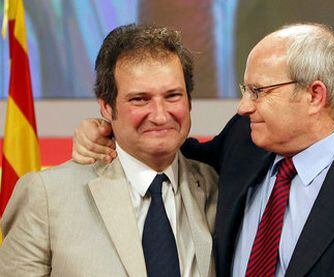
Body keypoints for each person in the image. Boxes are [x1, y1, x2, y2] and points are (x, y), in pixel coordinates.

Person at [72, 23, 334, 276]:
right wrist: (104, 131)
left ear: (315, 95)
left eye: (258, 91)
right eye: (244, 89)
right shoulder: (245, 140)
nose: (243, 106)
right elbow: (167, 150)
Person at [0, 24, 218, 277]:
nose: (160, 115)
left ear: (189, 101)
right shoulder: (46, 196)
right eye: (140, 99)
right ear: (105, 106)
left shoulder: (218, 186)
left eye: (172, 96)